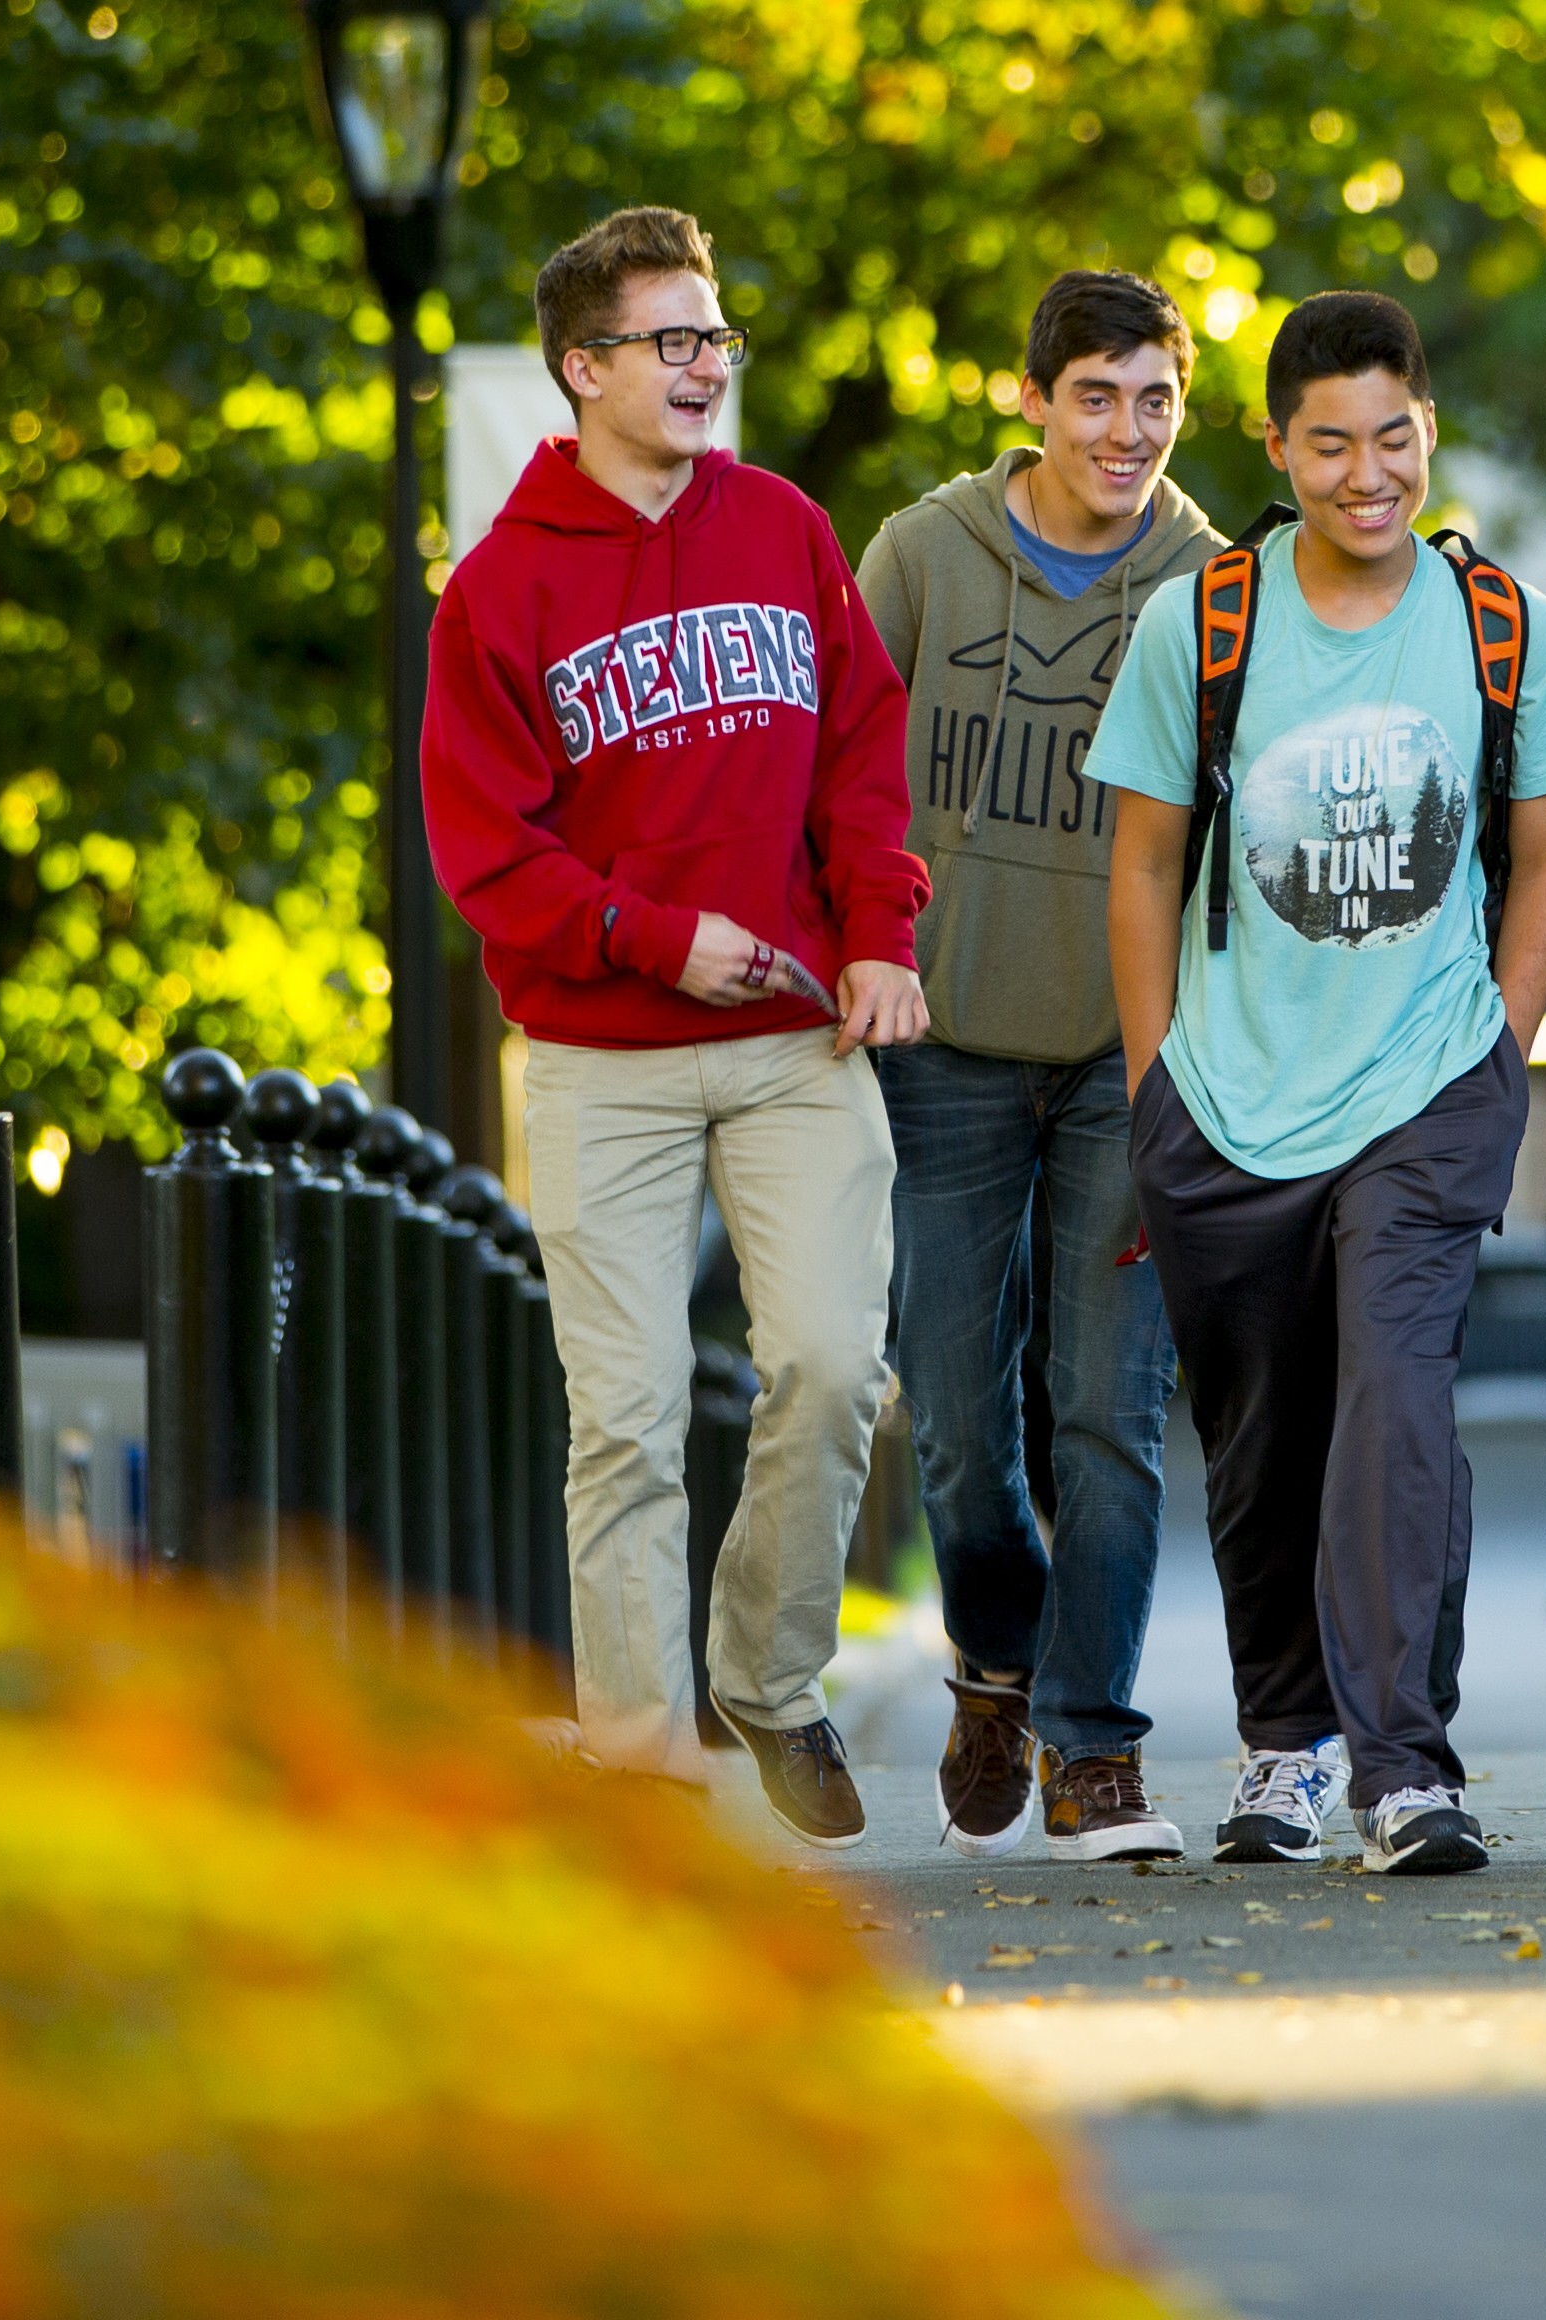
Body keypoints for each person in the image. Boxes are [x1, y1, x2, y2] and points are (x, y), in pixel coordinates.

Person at [424, 203, 929, 1842]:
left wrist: (873, 939)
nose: (706, 363)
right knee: (627, 1414)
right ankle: (639, 1756)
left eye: (716, 336)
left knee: (833, 1366)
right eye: (671, 340)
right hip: (595, 1060)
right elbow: (484, 850)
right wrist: (650, 938)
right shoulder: (497, 591)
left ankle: (769, 1685)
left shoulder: (782, 528)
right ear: (582, 368)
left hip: (795, 1034)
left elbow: (862, 755)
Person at [1093, 290, 1546, 1879]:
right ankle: (1286, 1745)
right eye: (1331, 444)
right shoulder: (1208, 622)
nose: (1367, 473)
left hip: (1430, 1074)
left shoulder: (1500, 622)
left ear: (1427, 431)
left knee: (1394, 1397)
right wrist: (1155, 1081)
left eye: (1394, 437)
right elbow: (1142, 864)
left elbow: (1543, 856)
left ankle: (1404, 1770)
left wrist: (1501, 1048)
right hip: (1232, 1095)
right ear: (1278, 447)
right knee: (1261, 1440)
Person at [855, 268, 1218, 1860]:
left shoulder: (1218, 583)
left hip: (1124, 1065)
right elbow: (842, 775)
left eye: (1154, 399)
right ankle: (996, 1658)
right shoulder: (924, 555)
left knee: (1111, 1415)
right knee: (951, 1406)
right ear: (1032, 400)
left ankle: (1090, 1746)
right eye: (1096, 396)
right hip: (939, 1048)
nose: (1126, 430)